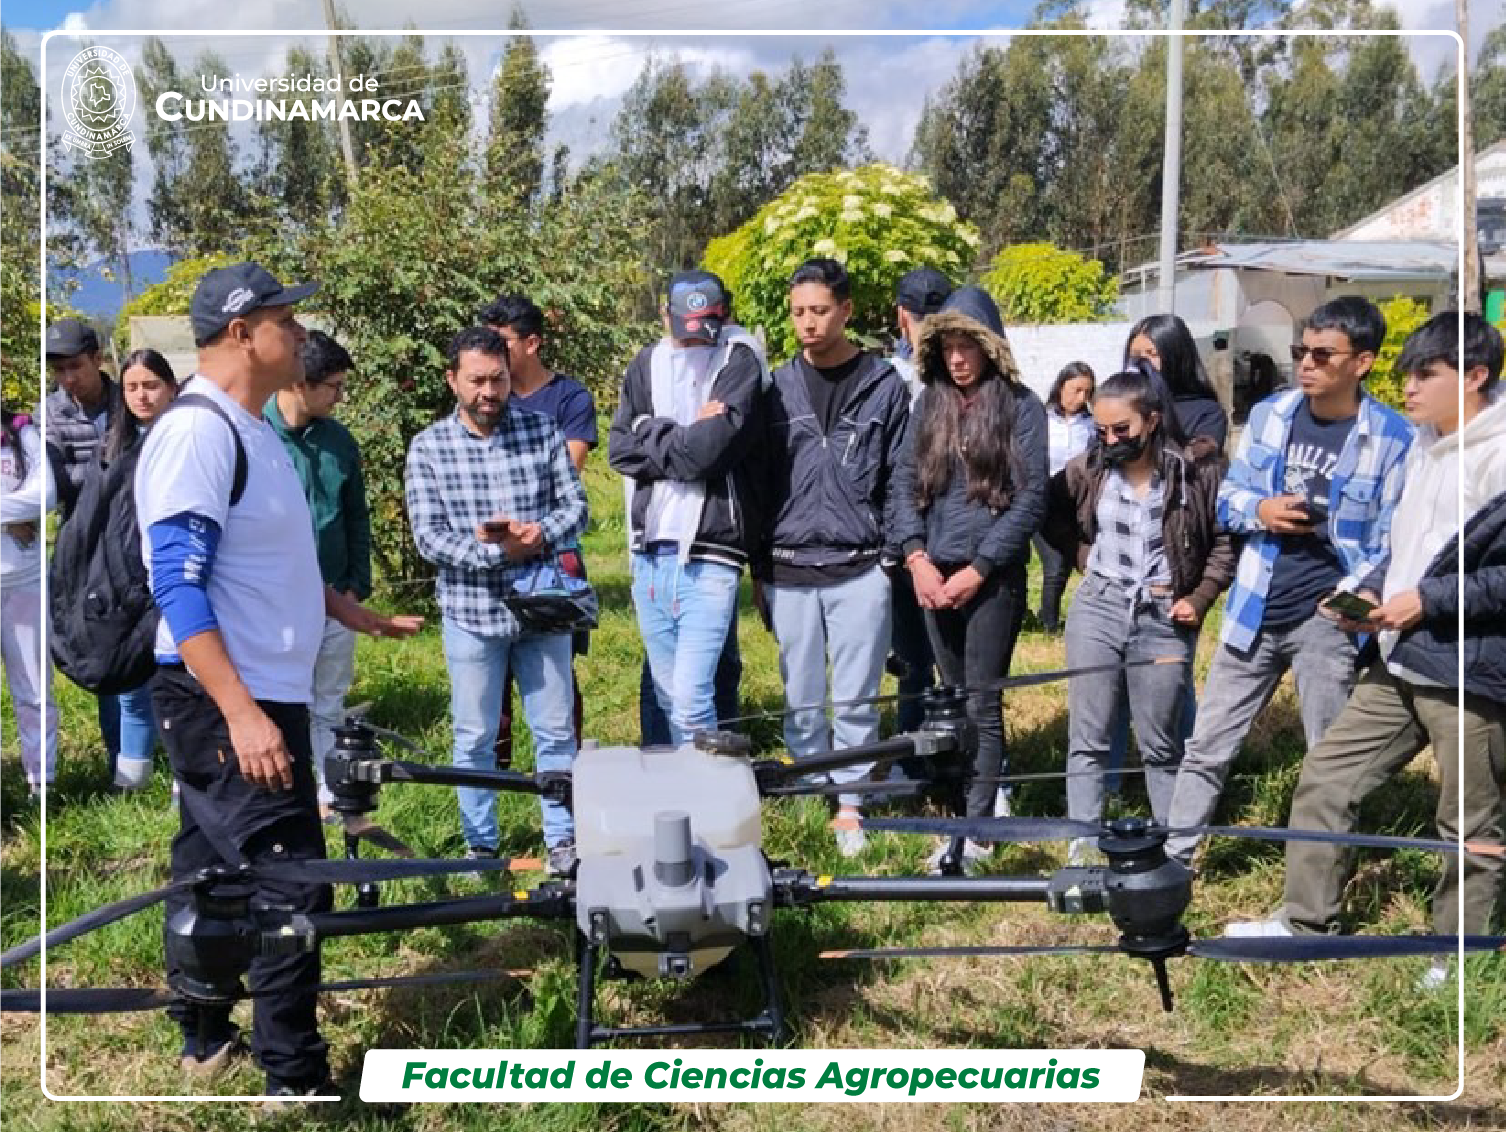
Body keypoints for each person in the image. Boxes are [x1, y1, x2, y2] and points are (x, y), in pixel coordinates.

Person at [136, 262, 418, 1096]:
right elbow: (178, 585)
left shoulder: (250, 426)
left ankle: (199, 1028)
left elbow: (267, 559)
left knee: (211, 873)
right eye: (285, 321)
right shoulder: (197, 433)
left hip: (262, 691)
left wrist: (348, 611)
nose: (299, 333)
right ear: (240, 333)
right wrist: (243, 714)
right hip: (230, 699)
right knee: (293, 885)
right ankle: (294, 1075)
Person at [1225, 313, 1506, 991]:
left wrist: (1428, 602)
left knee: (1468, 823)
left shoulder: (1498, 455)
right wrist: (1367, 593)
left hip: (1468, 669)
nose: (1406, 388)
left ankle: (1459, 960)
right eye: (1405, 373)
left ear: (1473, 377)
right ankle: (1305, 924)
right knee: (1326, 778)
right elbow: (1405, 548)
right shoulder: (1425, 444)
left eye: (1424, 375)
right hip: (1401, 655)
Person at [1164, 295, 1414, 866]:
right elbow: (1226, 500)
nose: (1307, 363)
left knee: (1328, 759)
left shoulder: (1395, 439)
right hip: (1255, 603)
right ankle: (1174, 860)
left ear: (1363, 362)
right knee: (1207, 744)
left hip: (1328, 618)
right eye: (1303, 350)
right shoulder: (1271, 416)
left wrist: (1358, 596)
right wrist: (1263, 511)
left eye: (1323, 355)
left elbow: (1395, 540)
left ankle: (1327, 869)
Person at [405, 326, 587, 875]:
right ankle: (480, 846)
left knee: (555, 729)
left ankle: (562, 840)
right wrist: (492, 554)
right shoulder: (429, 447)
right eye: (478, 380)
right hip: (471, 613)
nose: (490, 391)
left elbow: (576, 506)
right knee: (476, 734)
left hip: (543, 609)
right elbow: (428, 536)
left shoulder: (542, 430)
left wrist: (539, 535)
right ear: (452, 380)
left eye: (499, 378)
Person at [753, 257, 911, 856]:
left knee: (857, 691)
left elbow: (901, 475)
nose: (807, 323)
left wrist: (892, 553)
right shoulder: (776, 386)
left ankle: (851, 803)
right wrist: (759, 565)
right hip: (790, 562)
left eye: (819, 310)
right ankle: (806, 787)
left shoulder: (884, 385)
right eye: (798, 312)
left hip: (860, 562)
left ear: (846, 310)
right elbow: (761, 480)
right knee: (800, 689)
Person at [892, 285, 1048, 871]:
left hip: (992, 580)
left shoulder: (1022, 406)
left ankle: (981, 830)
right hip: (933, 573)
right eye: (949, 347)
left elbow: (1030, 499)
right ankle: (957, 822)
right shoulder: (926, 405)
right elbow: (904, 486)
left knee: (984, 702)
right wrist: (916, 559)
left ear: (991, 348)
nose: (958, 359)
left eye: (968, 346)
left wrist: (980, 568)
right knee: (950, 703)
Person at [1045, 369, 1234, 854]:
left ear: (1150, 421)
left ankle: (1173, 851)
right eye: (1101, 430)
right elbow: (1048, 511)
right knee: (1088, 736)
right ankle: (1082, 848)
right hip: (1098, 609)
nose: (1111, 440)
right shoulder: (1089, 468)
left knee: (1161, 743)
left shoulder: (1195, 471)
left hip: (1163, 616)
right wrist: (1081, 556)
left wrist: (1200, 596)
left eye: (1121, 430)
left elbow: (1225, 542)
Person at [609, 269, 770, 746]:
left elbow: (711, 453)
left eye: (709, 324)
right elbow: (619, 449)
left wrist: (651, 431)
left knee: (692, 693)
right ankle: (682, 796)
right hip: (648, 551)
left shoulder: (740, 357)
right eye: (688, 326)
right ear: (666, 316)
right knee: (665, 692)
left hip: (712, 553)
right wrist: (687, 435)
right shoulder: (645, 364)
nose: (698, 339)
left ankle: (708, 803)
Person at [478, 293, 593, 768]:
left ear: (532, 343)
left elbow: (568, 473)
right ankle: (497, 771)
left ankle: (569, 771)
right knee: (490, 671)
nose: (492, 352)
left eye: (501, 342)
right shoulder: (486, 396)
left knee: (554, 667)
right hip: (491, 551)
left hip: (550, 551)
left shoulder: (569, 399)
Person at [265, 330, 371, 819]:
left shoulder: (339, 442)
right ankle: (283, 788)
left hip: (335, 594)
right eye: (333, 386)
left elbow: (355, 517)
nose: (339, 396)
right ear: (302, 383)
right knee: (280, 700)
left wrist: (355, 583)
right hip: (273, 603)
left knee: (329, 696)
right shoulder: (256, 434)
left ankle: (327, 793)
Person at [45, 316, 125, 774]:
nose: (68, 379)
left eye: (75, 366)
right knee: (102, 645)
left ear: (97, 359)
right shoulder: (50, 414)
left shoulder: (127, 401)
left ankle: (139, 750)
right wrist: (109, 473)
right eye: (59, 371)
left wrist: (92, 475)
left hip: (132, 543)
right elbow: (54, 482)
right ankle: (119, 752)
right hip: (85, 548)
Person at [101, 349, 179, 792]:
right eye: (132, 387)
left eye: (150, 385)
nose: (141, 395)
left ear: (170, 386)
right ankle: (131, 784)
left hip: (171, 578)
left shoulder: (186, 437)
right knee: (132, 687)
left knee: (177, 685)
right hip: (126, 581)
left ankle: (183, 786)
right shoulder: (115, 446)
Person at [887, 267, 953, 736]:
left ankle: (938, 755)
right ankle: (921, 754)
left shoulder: (887, 379)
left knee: (930, 658)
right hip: (918, 536)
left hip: (934, 534)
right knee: (923, 659)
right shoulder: (888, 379)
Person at [0, 401, 55, 798]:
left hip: (24, 579)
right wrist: (10, 517)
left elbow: (46, 494)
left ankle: (42, 781)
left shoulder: (20, 430)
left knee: (34, 691)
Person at [1035, 362, 1096, 634]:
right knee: (1054, 563)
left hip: (1075, 504)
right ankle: (1049, 624)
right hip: (1044, 501)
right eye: (1076, 390)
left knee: (1074, 561)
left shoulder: (1092, 425)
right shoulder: (1042, 419)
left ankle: (1052, 616)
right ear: (1061, 387)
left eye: (1087, 392)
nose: (1081, 398)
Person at [1124, 313, 1229, 450]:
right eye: (1135, 356)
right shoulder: (1122, 403)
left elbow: (1198, 466)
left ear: (1176, 356)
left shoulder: (1206, 414)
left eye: (1152, 354)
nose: (1142, 363)